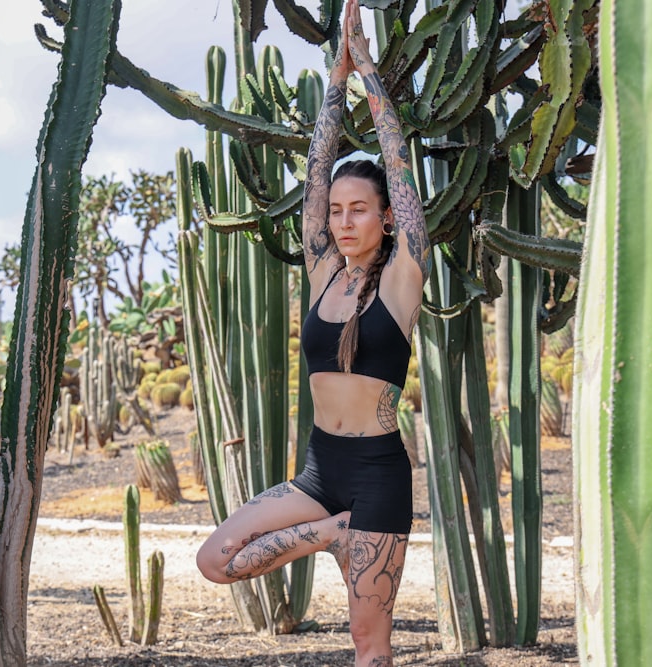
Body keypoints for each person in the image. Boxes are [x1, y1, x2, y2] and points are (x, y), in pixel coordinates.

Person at [195, 1, 430, 664]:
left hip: (379, 475)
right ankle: (332, 532)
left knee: (368, 646)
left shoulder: (404, 275)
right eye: (337, 211)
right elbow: (316, 173)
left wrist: (371, 79)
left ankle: (341, 531)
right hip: (321, 475)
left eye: (361, 210)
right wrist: (336, 77)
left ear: (386, 217)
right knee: (216, 558)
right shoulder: (324, 269)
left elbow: (399, 160)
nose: (346, 219)